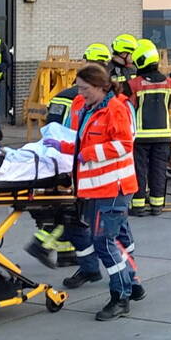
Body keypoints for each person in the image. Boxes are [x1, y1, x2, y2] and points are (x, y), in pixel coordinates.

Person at [47, 64, 143, 320]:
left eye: (84, 88)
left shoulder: (115, 110)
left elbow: (124, 144)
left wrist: (87, 154)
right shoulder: (92, 108)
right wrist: (64, 146)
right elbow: (86, 142)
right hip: (101, 188)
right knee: (117, 240)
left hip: (113, 188)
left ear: (101, 87)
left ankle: (121, 295)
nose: (80, 93)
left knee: (104, 242)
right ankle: (131, 284)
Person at [27, 42, 114, 268]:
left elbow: (51, 127)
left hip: (66, 159)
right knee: (73, 212)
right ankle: (55, 249)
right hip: (77, 163)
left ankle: (63, 253)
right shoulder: (99, 101)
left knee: (67, 212)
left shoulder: (65, 96)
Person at [128, 39, 171, 216]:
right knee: (159, 170)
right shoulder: (169, 83)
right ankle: (157, 205)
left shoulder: (134, 84)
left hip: (140, 137)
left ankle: (138, 206)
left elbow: (123, 100)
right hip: (163, 138)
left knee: (139, 171)